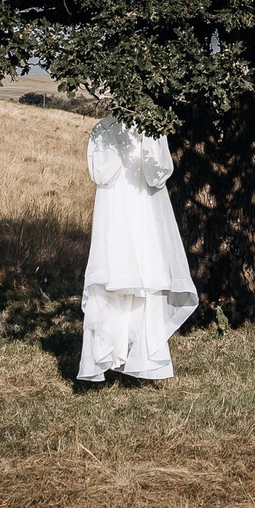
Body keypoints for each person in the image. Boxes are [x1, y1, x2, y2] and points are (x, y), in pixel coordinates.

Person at [77, 116, 199, 385]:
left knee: (142, 282)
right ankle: (115, 353)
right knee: (118, 282)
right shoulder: (104, 129)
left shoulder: (148, 127)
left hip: (139, 216)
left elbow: (157, 174)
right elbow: (104, 174)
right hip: (118, 218)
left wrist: (148, 139)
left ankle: (139, 357)